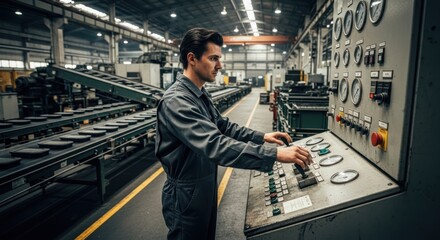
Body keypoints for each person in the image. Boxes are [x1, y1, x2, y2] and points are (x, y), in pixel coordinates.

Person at [155, 28, 312, 240]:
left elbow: (223, 126)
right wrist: (274, 155)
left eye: (219, 58)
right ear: (192, 58)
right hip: (186, 191)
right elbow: (215, 145)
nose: (220, 65)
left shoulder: (199, 94)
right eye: (213, 59)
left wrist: (262, 136)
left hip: (204, 184)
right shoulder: (177, 101)